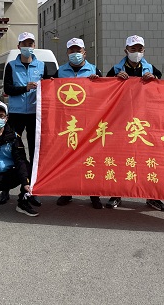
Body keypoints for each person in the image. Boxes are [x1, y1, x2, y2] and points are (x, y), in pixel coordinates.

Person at [106, 35, 164, 212]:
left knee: (150, 158)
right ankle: (116, 194)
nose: (136, 52)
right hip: (122, 120)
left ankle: (153, 196)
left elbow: (161, 89)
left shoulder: (151, 69)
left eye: (140, 49)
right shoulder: (115, 69)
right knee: (121, 158)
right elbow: (105, 90)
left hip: (146, 121)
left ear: (144, 50)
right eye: (133, 49)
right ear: (126, 50)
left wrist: (154, 79)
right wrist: (115, 79)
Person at [52, 37, 104, 209]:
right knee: (68, 157)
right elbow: (51, 92)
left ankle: (94, 194)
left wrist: (98, 83)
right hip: (68, 122)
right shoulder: (60, 72)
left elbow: (105, 93)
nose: (75, 53)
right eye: (72, 50)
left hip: (89, 121)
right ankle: (67, 192)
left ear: (84, 52)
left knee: (91, 158)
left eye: (78, 50)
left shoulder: (94, 70)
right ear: (67, 53)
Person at [2, 32, 49, 207]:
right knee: (11, 149)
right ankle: (5, 189)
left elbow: (49, 87)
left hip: (35, 114)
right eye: (24, 44)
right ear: (19, 46)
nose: (28, 47)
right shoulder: (11, 66)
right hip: (16, 113)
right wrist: (24, 88)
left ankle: (31, 190)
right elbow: (7, 88)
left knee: (35, 152)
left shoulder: (41, 65)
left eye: (30, 43)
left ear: (34, 46)